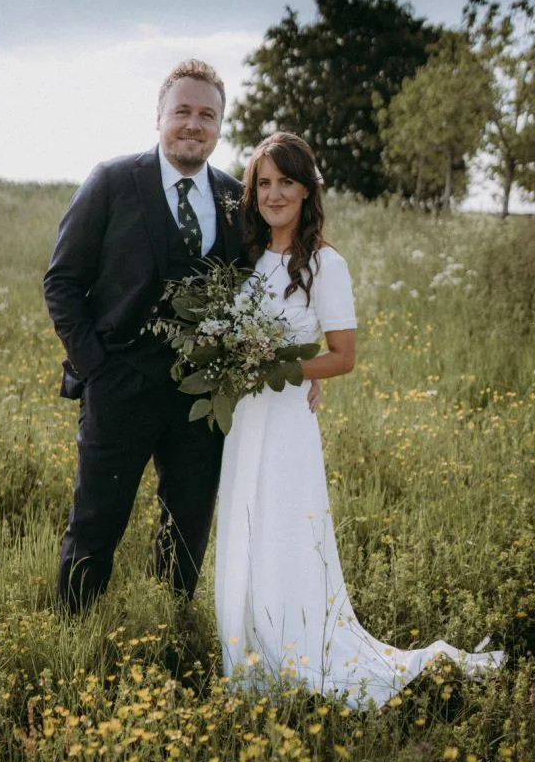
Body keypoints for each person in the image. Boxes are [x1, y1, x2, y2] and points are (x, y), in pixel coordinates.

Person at [215, 132, 504, 707]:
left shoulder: (326, 263)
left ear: (306, 189)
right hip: (244, 419)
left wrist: (283, 368)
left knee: (284, 531)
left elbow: (342, 356)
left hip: (286, 420)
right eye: (264, 183)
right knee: (245, 528)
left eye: (286, 182)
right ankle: (248, 648)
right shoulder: (247, 258)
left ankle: (296, 646)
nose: (274, 194)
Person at [44, 60, 243, 612]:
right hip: (119, 385)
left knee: (188, 526)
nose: (194, 124)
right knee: (96, 521)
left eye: (207, 115)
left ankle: (171, 626)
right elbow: (62, 281)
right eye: (183, 111)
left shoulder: (235, 197)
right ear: (159, 116)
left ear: (220, 125)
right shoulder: (112, 181)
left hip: (201, 397)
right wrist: (97, 368)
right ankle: (74, 630)